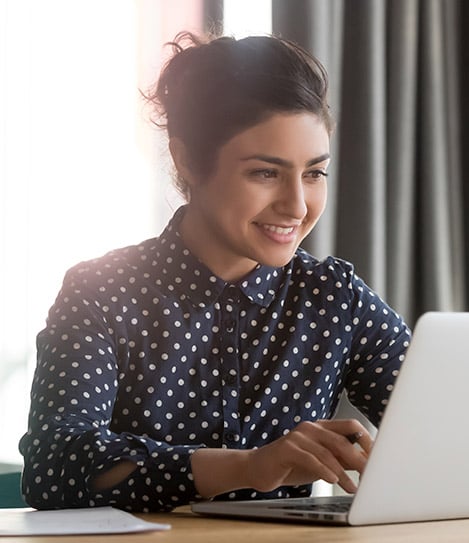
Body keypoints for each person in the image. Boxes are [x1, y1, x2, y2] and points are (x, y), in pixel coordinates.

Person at [19, 32, 411, 512]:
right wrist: (250, 467)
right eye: (265, 173)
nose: (297, 205)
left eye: (314, 173)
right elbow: (55, 467)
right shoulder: (102, 291)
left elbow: (447, 428)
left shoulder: (335, 298)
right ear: (187, 159)